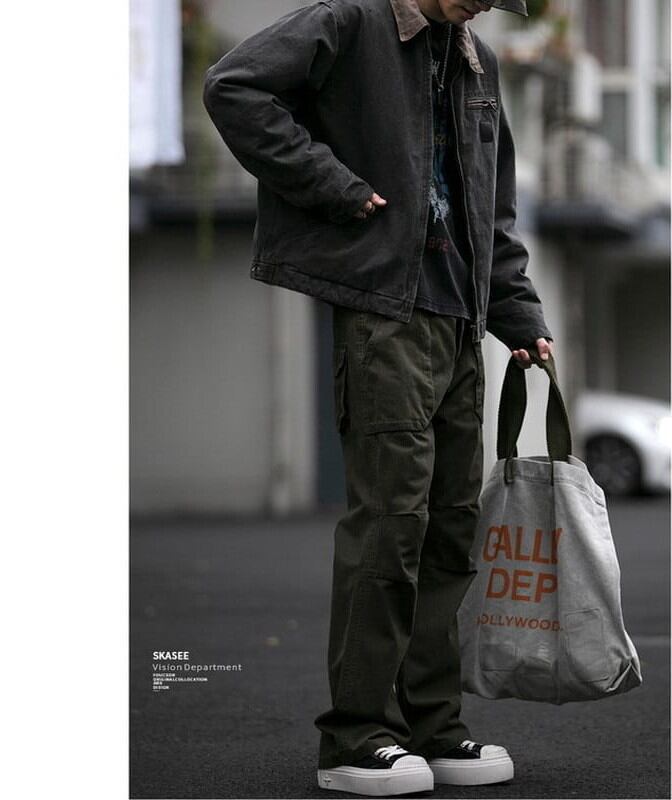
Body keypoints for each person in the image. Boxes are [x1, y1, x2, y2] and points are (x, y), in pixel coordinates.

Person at [203, 0, 554, 795]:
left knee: (450, 530)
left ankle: (434, 726)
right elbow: (233, 86)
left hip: (460, 323)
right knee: (391, 525)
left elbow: (490, 210)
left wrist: (518, 313)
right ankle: (356, 737)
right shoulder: (350, 22)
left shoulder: (477, 63)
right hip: (387, 316)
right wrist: (333, 184)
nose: (486, 6)